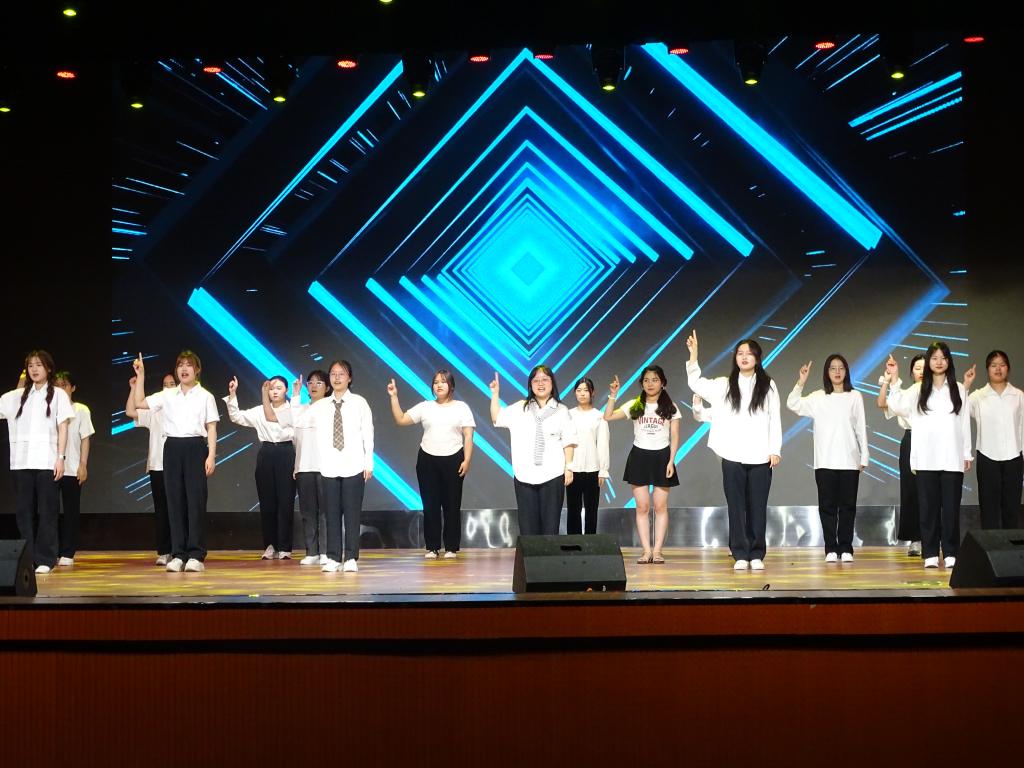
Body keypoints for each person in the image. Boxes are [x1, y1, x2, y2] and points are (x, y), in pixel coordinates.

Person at [686, 332, 781, 571]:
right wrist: (694, 356)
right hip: (731, 455)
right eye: (740, 353)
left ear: (757, 357)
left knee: (757, 506)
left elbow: (775, 418)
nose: (744, 357)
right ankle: (740, 552)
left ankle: (756, 553)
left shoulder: (768, 385)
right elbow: (696, 383)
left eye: (749, 353)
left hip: (760, 455)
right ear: (735, 358)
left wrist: (775, 449)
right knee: (736, 506)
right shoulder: (724, 385)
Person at [268, 360, 373, 573]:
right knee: (331, 513)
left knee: (352, 513)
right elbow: (294, 420)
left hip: (353, 464)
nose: (337, 377)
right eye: (333, 374)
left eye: (341, 374)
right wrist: (295, 397)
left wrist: (368, 462)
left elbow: (367, 433)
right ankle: (333, 557)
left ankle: (350, 557)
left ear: (349, 378)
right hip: (329, 466)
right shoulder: (321, 406)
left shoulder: (359, 403)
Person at [884, 342, 972, 569]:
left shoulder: (959, 389)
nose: (939, 362)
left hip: (951, 458)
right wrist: (894, 378)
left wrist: (966, 454)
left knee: (951, 508)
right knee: (928, 508)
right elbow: (896, 404)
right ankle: (930, 552)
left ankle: (951, 552)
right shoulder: (918, 390)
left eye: (943, 358)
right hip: (925, 458)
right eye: (934, 358)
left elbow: (964, 424)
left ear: (949, 361)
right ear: (929, 361)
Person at [132, 351, 219, 573]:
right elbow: (139, 403)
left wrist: (211, 456)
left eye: (189, 365)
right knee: (174, 502)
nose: (184, 369)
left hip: (195, 447)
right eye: (180, 365)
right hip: (171, 447)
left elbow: (211, 427)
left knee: (195, 502)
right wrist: (141, 375)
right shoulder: (167, 394)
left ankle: (196, 555)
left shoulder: (205, 396)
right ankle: (178, 554)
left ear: (197, 370)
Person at [787, 356, 869, 563]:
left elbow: (861, 428)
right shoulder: (818, 397)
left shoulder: (855, 396)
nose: (837, 372)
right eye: (833, 368)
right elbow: (792, 403)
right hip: (824, 461)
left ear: (846, 371)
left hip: (849, 460)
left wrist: (865, 455)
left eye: (841, 368)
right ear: (827, 372)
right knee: (827, 507)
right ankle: (831, 548)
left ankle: (846, 548)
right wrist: (801, 381)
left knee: (848, 507)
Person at [0, 350, 74, 574]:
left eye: (39, 365)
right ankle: (27, 559)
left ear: (48, 368)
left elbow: (63, 427)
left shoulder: (58, 394)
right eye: (30, 365)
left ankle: (46, 558)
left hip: (47, 461)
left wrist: (60, 458)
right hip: (21, 462)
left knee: (48, 511)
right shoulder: (16, 396)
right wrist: (19, 384)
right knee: (24, 512)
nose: (34, 369)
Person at [388, 370, 475, 558]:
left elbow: (468, 435)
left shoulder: (461, 407)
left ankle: (451, 547)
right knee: (430, 505)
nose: (439, 385)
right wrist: (394, 397)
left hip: (454, 458)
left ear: (451, 385)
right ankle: (432, 547)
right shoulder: (425, 406)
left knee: (452, 504)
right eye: (435, 382)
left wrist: (467, 460)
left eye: (443, 381)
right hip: (427, 459)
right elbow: (401, 419)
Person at [604, 366, 680, 563]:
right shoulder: (635, 405)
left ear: (662, 383)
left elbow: (674, 436)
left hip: (662, 457)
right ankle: (646, 551)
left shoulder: (671, 407)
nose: (650, 384)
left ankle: (658, 551)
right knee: (642, 507)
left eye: (654, 380)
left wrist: (671, 460)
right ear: (642, 383)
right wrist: (613, 395)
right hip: (639, 456)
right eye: (646, 380)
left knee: (660, 506)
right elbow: (608, 416)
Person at [490, 366, 577, 536]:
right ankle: (530, 555)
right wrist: (495, 394)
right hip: (524, 474)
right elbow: (496, 418)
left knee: (550, 526)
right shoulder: (520, 408)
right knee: (528, 527)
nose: (540, 383)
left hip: (552, 474)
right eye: (536, 380)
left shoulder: (561, 410)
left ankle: (548, 554)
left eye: (545, 379)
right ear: (530, 385)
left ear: (552, 383)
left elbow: (569, 441)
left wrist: (569, 467)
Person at [226, 375, 295, 559]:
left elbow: (280, 423)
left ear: (286, 390)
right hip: (266, 453)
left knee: (286, 501)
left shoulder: (293, 410)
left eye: (279, 388)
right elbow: (236, 417)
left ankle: (285, 547)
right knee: (267, 502)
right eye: (271, 388)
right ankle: (270, 545)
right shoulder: (259, 411)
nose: (275, 391)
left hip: (286, 452)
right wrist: (232, 395)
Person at [126, 371, 177, 565]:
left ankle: (180, 550)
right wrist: (133, 388)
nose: (168, 387)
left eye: (172, 384)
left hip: (177, 465)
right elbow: (131, 411)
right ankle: (164, 551)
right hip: (157, 465)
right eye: (165, 384)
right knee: (161, 509)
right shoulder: (154, 409)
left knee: (178, 508)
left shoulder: (183, 408)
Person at [968, 350, 1023, 529]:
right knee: (988, 509)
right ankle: (989, 546)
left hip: (1014, 457)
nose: (998, 369)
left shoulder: (1019, 396)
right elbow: (959, 411)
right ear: (987, 369)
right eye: (994, 365)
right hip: (987, 457)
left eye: (1002, 365)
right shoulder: (977, 396)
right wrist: (966, 385)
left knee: (1012, 508)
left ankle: (1011, 545)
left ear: (1008, 368)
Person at [877, 354, 925, 556]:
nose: (921, 372)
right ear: (911, 372)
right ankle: (916, 539)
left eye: (925, 368)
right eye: (917, 368)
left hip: (932, 441)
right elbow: (882, 404)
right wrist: (889, 380)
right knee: (911, 491)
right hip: (911, 440)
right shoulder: (905, 394)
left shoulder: (939, 393)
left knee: (932, 490)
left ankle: (933, 537)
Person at [52, 371, 95, 566]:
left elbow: (85, 438)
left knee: (70, 511)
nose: (60, 389)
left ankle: (68, 552)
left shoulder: (81, 410)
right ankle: (51, 550)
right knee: (49, 511)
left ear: (73, 388)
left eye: (64, 385)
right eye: (57, 385)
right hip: (50, 468)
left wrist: (83, 465)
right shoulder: (49, 409)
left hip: (71, 467)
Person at [567, 377, 610, 535]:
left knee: (592, 509)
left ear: (592, 393)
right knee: (573, 509)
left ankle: (590, 543)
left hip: (593, 469)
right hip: (573, 469)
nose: (582, 394)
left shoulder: (599, 416)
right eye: (579, 390)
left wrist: (603, 470)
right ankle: (573, 543)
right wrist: (566, 467)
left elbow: (603, 444)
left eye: (586, 390)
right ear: (575, 393)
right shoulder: (568, 415)